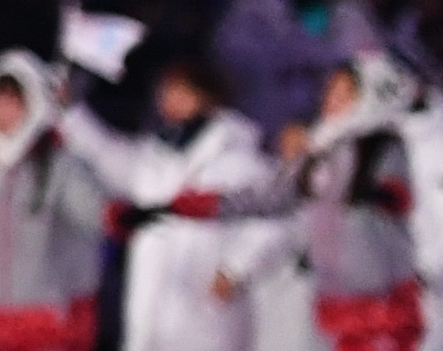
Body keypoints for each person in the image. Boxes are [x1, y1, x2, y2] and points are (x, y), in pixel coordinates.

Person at [56, 46, 288, 351]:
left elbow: (276, 221)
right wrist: (68, 112)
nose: (169, 99)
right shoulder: (157, 157)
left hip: (207, 318)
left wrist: (236, 268)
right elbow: (106, 154)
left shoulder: (238, 161)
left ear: (208, 96)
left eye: (181, 90)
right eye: (166, 90)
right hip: (152, 320)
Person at [0, 54, 107, 351]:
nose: (1, 113)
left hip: (52, 318)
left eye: (12, 102)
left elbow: (96, 214)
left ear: (33, 105)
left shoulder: (60, 165)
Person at [288, 52, 421, 351]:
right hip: (335, 303)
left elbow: (396, 196)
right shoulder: (321, 149)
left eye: (343, 91)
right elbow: (277, 199)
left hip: (382, 305)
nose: (331, 99)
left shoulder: (382, 145)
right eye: (330, 90)